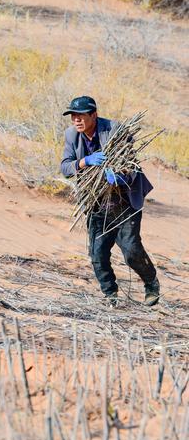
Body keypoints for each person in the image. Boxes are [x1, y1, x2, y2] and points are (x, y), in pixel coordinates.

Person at [60, 96, 160, 306]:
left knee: (131, 251)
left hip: (124, 199)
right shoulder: (71, 135)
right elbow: (65, 168)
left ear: (94, 115)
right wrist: (84, 161)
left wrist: (118, 177)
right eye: (73, 116)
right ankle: (110, 295)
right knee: (97, 253)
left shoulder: (115, 130)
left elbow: (131, 167)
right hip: (97, 201)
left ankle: (151, 283)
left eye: (81, 115)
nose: (76, 120)